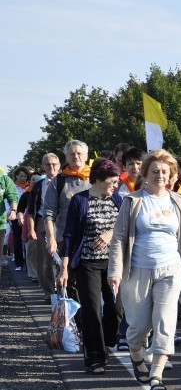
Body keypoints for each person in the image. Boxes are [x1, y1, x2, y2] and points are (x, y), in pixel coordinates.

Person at [107, 149, 181, 390]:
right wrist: (115, 272)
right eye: (155, 171)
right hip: (137, 269)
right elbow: (118, 239)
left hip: (170, 269)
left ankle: (156, 374)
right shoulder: (133, 200)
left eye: (164, 172)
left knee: (165, 321)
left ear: (171, 175)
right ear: (145, 174)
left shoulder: (178, 200)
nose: (160, 176)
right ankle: (137, 354)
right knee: (138, 326)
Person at [57, 159, 123, 374]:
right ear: (99, 179)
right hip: (87, 263)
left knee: (116, 310)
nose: (115, 185)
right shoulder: (80, 200)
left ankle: (106, 340)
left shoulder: (118, 199)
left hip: (114, 263)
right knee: (92, 310)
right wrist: (64, 267)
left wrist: (110, 234)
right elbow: (69, 235)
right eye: (112, 181)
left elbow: (124, 227)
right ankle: (95, 358)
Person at [44, 140, 92, 265]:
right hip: (65, 239)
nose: (76, 156)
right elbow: (49, 212)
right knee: (67, 279)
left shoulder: (97, 178)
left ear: (86, 156)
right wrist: (51, 238)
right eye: (72, 154)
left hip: (93, 240)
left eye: (79, 153)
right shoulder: (58, 181)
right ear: (66, 157)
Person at [26, 154, 61, 302]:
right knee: (44, 260)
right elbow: (32, 209)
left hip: (63, 222)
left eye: (54, 164)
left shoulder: (66, 181)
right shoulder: (39, 185)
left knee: (64, 258)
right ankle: (49, 293)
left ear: (59, 165)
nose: (51, 167)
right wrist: (31, 229)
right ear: (43, 167)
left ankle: (63, 292)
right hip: (43, 222)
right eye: (47, 164)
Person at [11, 166, 32, 271]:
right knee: (18, 240)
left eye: (25, 176)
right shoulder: (12, 187)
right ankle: (19, 263)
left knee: (28, 240)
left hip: (28, 216)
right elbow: (9, 201)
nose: (23, 178)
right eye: (21, 176)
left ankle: (29, 263)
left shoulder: (29, 187)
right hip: (15, 216)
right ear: (16, 176)